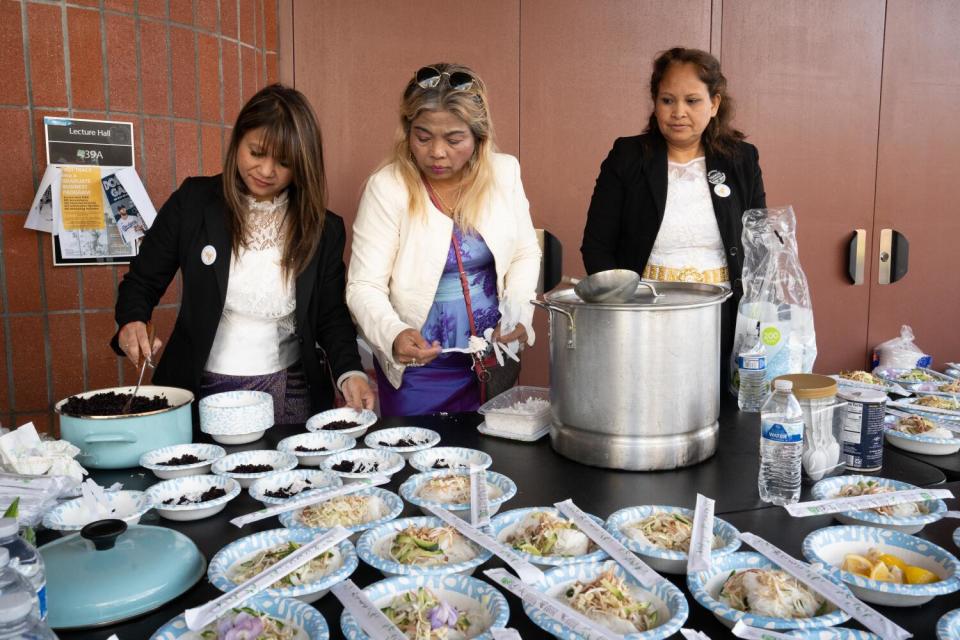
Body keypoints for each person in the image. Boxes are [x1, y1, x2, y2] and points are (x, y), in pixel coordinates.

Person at [112, 84, 375, 424]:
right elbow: (142, 281)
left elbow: (330, 315)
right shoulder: (194, 203)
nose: (266, 171)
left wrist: (350, 371)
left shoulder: (322, 228)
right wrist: (133, 319)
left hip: (290, 388)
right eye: (257, 152)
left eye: (284, 162)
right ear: (238, 140)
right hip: (198, 387)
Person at [346, 63, 541, 416]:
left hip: (493, 362)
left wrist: (518, 314)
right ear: (407, 131)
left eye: (454, 140)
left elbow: (526, 253)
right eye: (423, 137)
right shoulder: (387, 188)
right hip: (419, 371)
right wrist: (393, 334)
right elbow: (363, 285)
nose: (437, 152)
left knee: (491, 465)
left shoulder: (504, 173)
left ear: (479, 137)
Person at [580, 47, 766, 372]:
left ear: (715, 103)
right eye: (667, 100)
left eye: (692, 101)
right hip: (643, 316)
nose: (678, 112)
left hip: (723, 316)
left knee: (721, 410)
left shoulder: (741, 160)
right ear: (655, 103)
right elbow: (597, 247)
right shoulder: (627, 157)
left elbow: (759, 243)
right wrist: (621, 311)